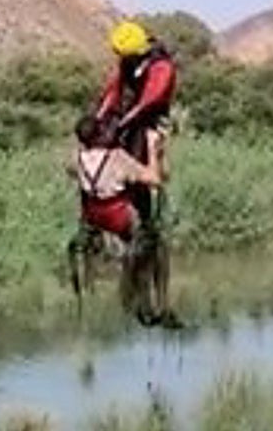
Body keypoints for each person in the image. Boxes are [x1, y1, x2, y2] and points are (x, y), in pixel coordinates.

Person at [65, 113, 167, 324]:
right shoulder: (117, 158)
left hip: (93, 215)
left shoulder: (77, 158)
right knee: (156, 243)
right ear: (102, 134)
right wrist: (153, 149)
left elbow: (72, 172)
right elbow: (155, 180)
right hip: (118, 216)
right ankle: (157, 300)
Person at [93, 20, 178, 228]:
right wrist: (99, 116)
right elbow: (114, 89)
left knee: (145, 167)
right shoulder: (127, 62)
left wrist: (126, 120)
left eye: (125, 56)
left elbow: (151, 98)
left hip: (152, 118)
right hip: (128, 115)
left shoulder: (161, 67)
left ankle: (149, 220)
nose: (122, 60)